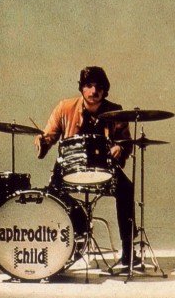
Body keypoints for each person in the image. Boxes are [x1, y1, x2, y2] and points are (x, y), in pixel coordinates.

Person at [35, 66, 137, 266]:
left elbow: (126, 142)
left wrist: (120, 148)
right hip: (70, 166)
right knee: (51, 194)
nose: (93, 91)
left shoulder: (116, 111)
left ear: (105, 90)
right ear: (81, 88)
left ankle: (128, 252)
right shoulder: (64, 107)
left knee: (126, 189)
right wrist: (42, 142)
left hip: (104, 167)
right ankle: (67, 239)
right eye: (89, 86)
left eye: (98, 87)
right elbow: (49, 136)